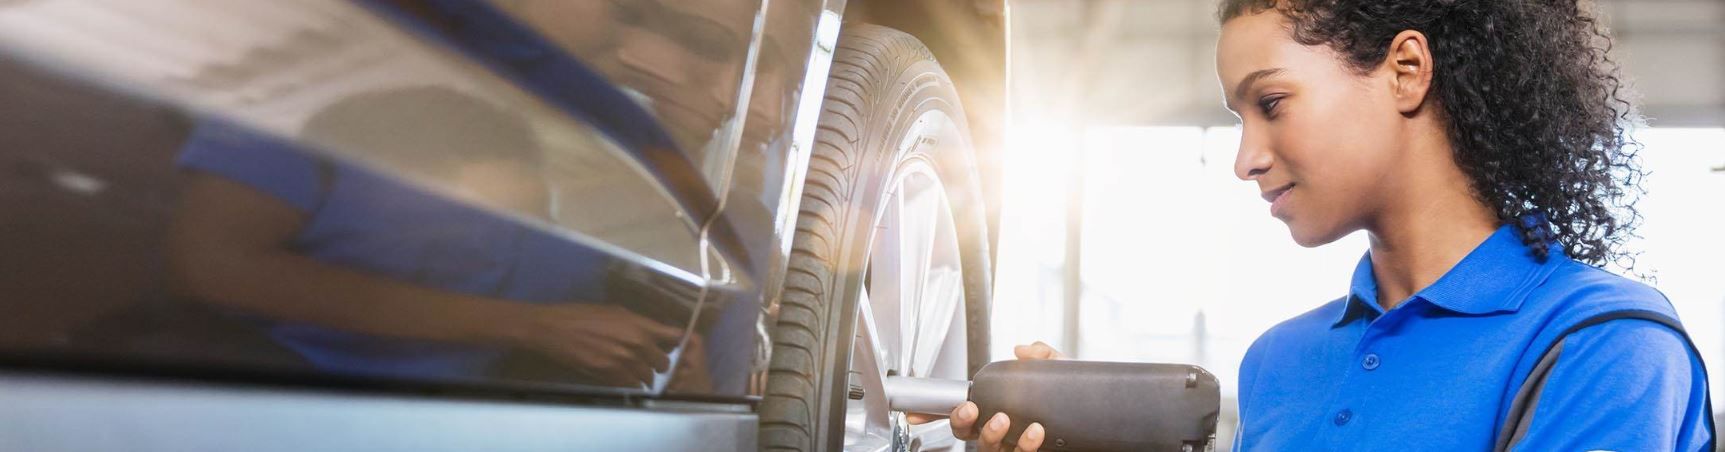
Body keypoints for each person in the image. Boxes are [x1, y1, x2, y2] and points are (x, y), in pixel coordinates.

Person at [945, 0, 1714, 450]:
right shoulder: (1279, 362)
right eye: (1236, 118)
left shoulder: (1604, 344)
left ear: (1405, 70)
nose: (1246, 158)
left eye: (1271, 103)